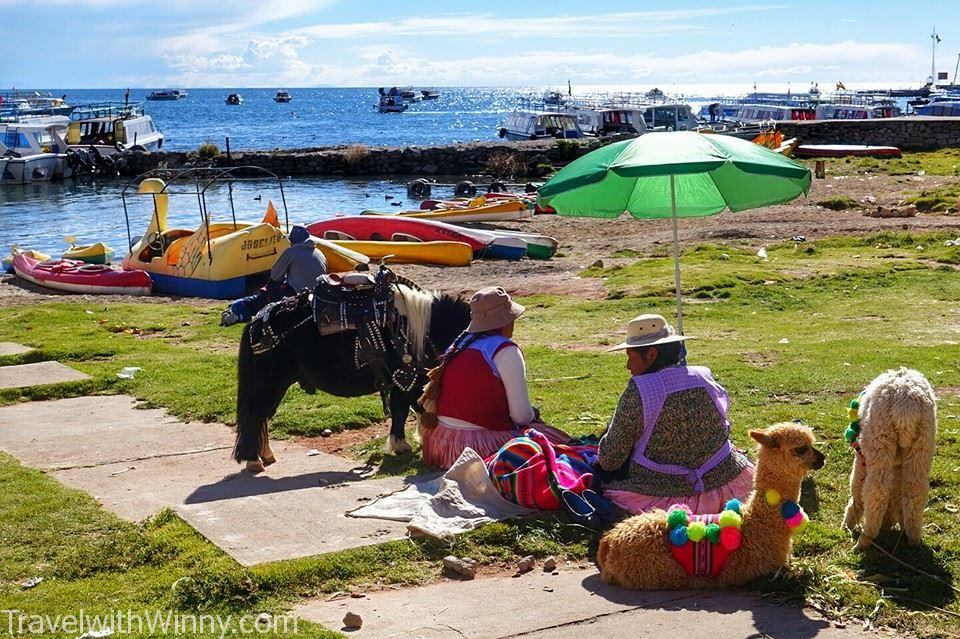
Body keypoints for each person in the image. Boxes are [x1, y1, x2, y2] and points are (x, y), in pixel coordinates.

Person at [597, 314, 753, 514]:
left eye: (631, 357)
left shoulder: (640, 390)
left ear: (651, 354)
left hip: (664, 497)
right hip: (726, 485)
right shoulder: (703, 377)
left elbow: (610, 459)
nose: (628, 366)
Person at [419, 286, 569, 469]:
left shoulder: (458, 345)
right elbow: (521, 416)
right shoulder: (505, 351)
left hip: (442, 444)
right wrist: (533, 414)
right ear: (505, 321)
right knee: (557, 445)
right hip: (476, 450)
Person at [220, 225, 327, 326]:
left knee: (257, 297)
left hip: (297, 294)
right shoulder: (319, 253)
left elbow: (275, 276)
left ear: (293, 241)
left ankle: (239, 313)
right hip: (318, 295)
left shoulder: (291, 252)